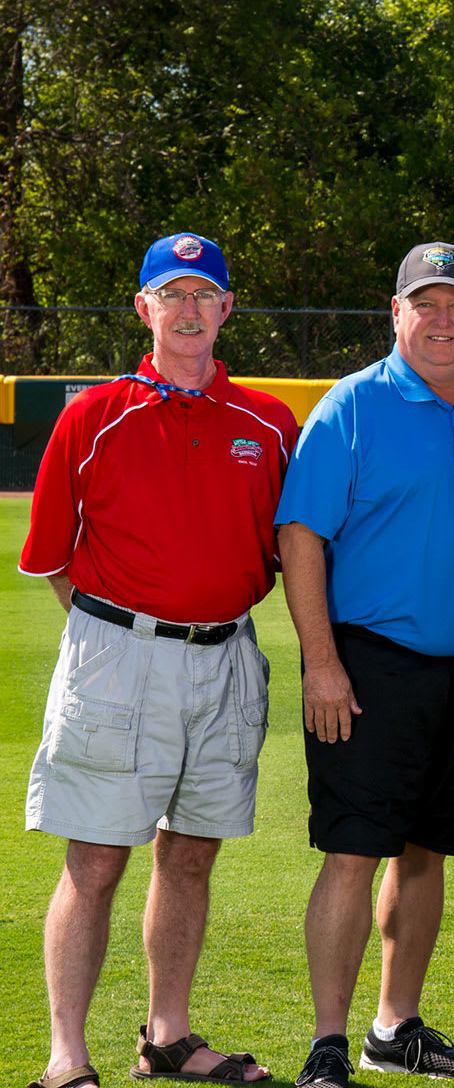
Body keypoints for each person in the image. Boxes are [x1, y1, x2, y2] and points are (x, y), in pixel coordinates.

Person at [21, 233, 296, 1088]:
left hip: (226, 659)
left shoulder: (269, 423)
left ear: (225, 310)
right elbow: (54, 557)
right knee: (97, 859)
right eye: (169, 295)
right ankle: (68, 1055)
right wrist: (123, 632)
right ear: (144, 308)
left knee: (191, 854)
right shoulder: (92, 414)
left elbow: (296, 553)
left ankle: (166, 1036)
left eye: (202, 295)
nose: (187, 310)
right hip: (117, 655)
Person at [276, 242, 454, 1088]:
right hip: (367, 663)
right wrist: (320, 662)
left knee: (425, 852)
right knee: (354, 851)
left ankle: (396, 1026)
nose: (442, 319)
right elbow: (301, 535)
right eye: (426, 304)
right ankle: (327, 1042)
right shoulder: (350, 405)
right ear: (397, 313)